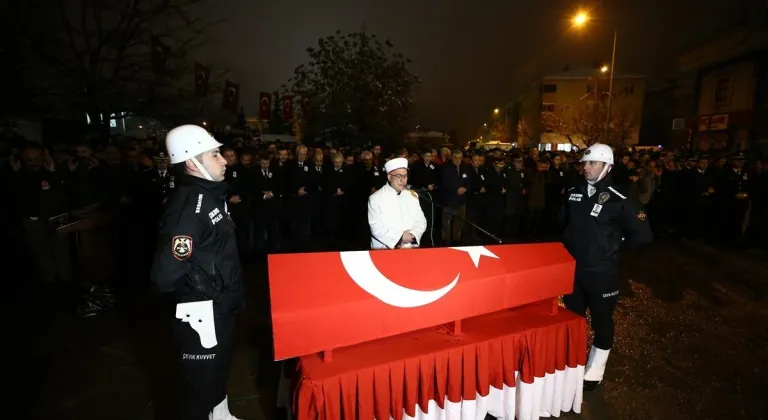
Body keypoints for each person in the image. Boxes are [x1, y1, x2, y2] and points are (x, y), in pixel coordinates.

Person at [150, 124, 244, 420]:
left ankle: (221, 415)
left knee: (217, 373)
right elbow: (165, 275)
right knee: (198, 388)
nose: (224, 159)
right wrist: (201, 290)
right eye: (215, 154)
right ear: (193, 163)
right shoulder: (190, 207)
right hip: (203, 313)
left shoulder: (210, 196)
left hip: (220, 306)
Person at [560, 143, 653, 391]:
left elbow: (643, 236)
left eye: (592, 163)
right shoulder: (573, 191)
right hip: (573, 271)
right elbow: (564, 225)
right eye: (584, 163)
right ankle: (571, 363)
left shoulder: (621, 198)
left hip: (602, 273)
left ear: (607, 166)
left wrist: (613, 246)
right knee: (572, 318)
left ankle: (596, 368)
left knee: (601, 321)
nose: (586, 168)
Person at [368, 157, 427, 249]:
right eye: (399, 176)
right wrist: (400, 238)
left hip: (409, 247)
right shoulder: (376, 198)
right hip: (384, 251)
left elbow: (421, 221)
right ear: (389, 177)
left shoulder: (412, 195)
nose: (403, 180)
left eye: (405, 176)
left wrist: (412, 236)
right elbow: (376, 228)